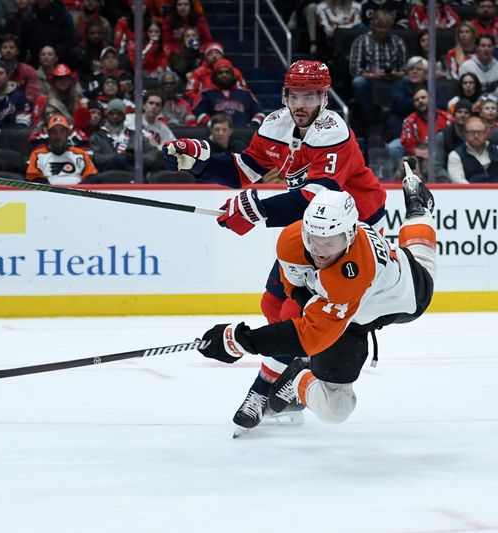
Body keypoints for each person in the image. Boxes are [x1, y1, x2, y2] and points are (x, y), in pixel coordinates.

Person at [163, 60, 387, 432]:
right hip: (313, 231)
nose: (301, 104)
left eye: (310, 96)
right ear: (285, 95)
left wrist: (255, 211)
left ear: (324, 98)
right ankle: (289, 383)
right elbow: (246, 169)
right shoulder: (275, 124)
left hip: (354, 235)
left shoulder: (334, 133)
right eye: (295, 95)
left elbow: (319, 196)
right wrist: (199, 162)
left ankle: (263, 388)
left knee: (297, 313)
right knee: (273, 303)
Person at [197, 176, 436, 435]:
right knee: (336, 408)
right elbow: (294, 286)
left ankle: (417, 208)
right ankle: (298, 378)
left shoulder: (352, 273)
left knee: (421, 256)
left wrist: (242, 340)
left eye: (331, 242)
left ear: (350, 236)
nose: (320, 250)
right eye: (313, 239)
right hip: (345, 317)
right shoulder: (292, 240)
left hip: (401, 298)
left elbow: (309, 335)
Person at [27, 114, 98, 184]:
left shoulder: (80, 154)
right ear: (48, 133)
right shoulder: (38, 155)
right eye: (53, 131)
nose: (58, 135)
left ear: (67, 133)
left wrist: (77, 192)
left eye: (62, 131)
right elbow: (33, 178)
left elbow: (92, 176)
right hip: (50, 193)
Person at [447, 116, 498, 183]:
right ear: (465, 134)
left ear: (486, 133)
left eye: (480, 132)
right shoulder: (455, 155)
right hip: (469, 192)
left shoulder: (496, 150)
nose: (476, 136)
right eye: (472, 132)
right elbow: (458, 180)